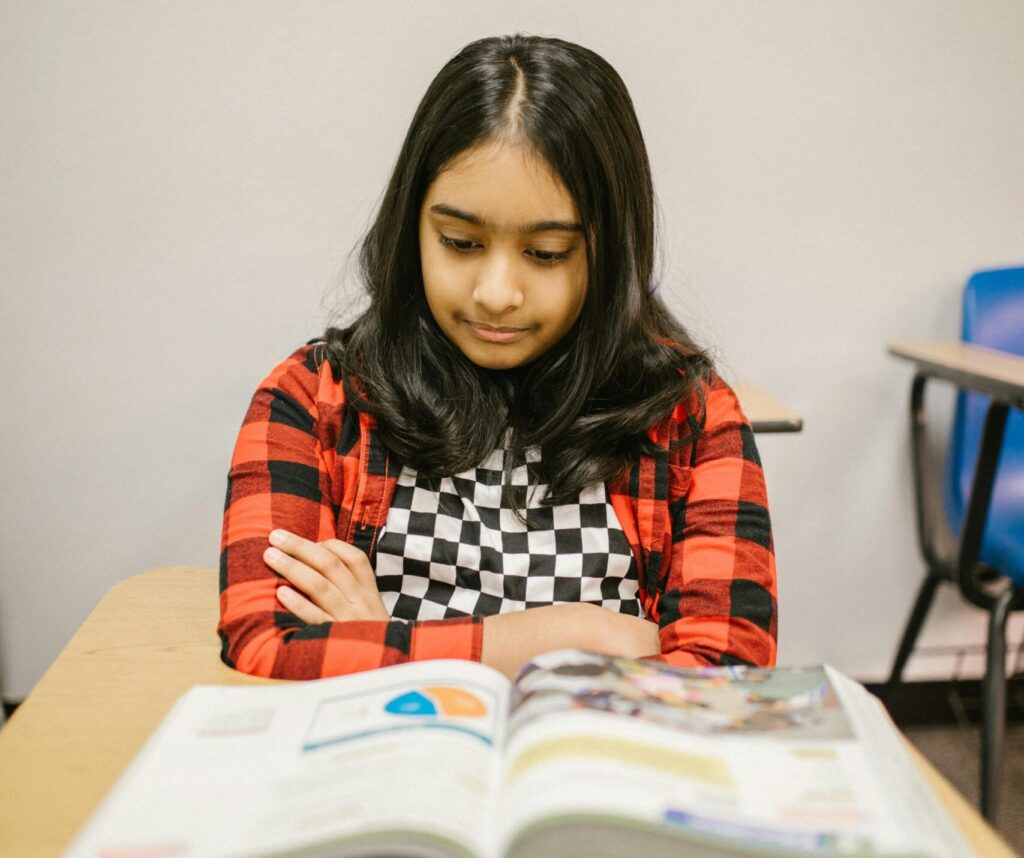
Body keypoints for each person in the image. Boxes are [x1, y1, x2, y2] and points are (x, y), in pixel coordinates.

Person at [218, 34, 777, 682]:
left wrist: (382, 642)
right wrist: (586, 634)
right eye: (460, 242)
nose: (496, 293)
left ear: (613, 249)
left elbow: (726, 674)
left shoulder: (693, 419)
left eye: (545, 253)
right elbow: (267, 646)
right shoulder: (312, 400)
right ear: (412, 226)